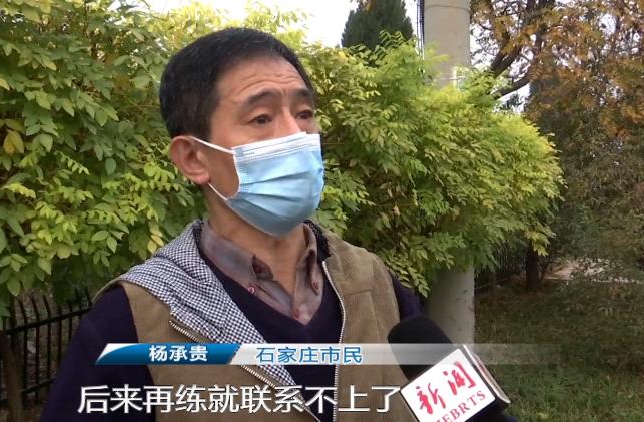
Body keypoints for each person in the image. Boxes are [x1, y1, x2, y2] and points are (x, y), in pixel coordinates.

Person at [40, 28, 425, 422]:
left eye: (304, 114)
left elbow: (455, 402)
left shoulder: (373, 282)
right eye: (261, 118)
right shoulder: (133, 321)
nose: (297, 135)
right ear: (193, 158)